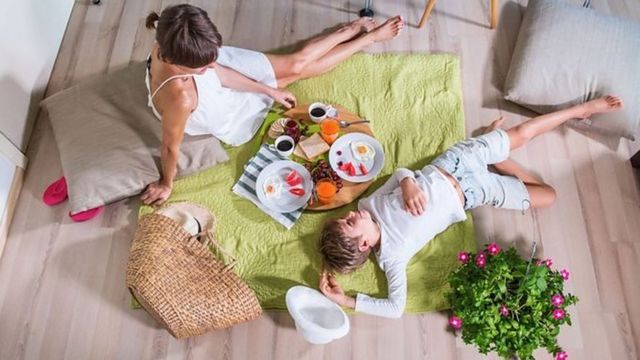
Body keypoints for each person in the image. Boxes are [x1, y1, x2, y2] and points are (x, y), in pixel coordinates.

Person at [318, 96, 624, 318]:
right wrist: (346, 301)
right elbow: (395, 307)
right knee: (549, 196)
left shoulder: (368, 204)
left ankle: (581, 109)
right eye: (348, 223)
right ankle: (499, 158)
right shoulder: (392, 256)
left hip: (456, 161)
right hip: (475, 192)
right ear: (364, 243)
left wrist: (408, 183)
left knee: (522, 133)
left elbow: (400, 174)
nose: (349, 214)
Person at [140, 4, 405, 205]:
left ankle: (352, 32)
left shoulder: (169, 42)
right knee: (299, 72)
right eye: (203, 66)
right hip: (217, 105)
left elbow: (218, 72)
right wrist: (166, 183)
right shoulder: (181, 99)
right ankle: (363, 38)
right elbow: (169, 147)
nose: (210, 66)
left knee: (296, 65)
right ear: (180, 63)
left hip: (221, 82)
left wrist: (267, 89)